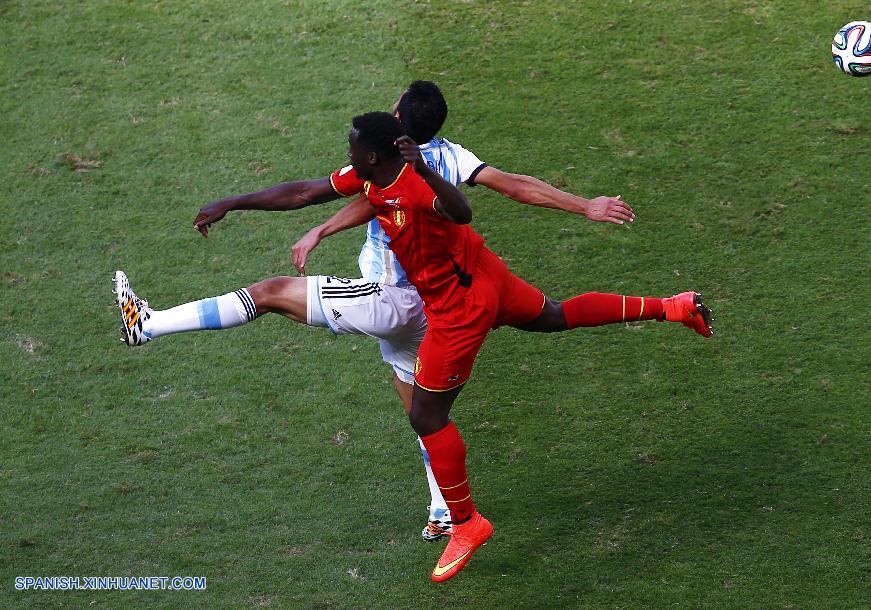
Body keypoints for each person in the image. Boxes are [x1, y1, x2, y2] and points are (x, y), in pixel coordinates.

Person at [114, 81, 637, 543]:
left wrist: (242, 203)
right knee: (426, 414)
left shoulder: (384, 167)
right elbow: (514, 185)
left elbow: (316, 193)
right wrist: (584, 205)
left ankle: (149, 324)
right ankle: (443, 511)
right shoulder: (449, 159)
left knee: (270, 293)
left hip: (391, 298)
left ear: (396, 122)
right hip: (437, 310)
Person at [315, 111, 713, 582]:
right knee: (555, 314)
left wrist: (411, 177)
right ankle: (673, 307)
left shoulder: (413, 177)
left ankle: (464, 522)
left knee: (426, 415)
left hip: (452, 308)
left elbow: (451, 208)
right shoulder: (420, 164)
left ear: (384, 144)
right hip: (485, 273)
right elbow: (316, 193)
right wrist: (242, 205)